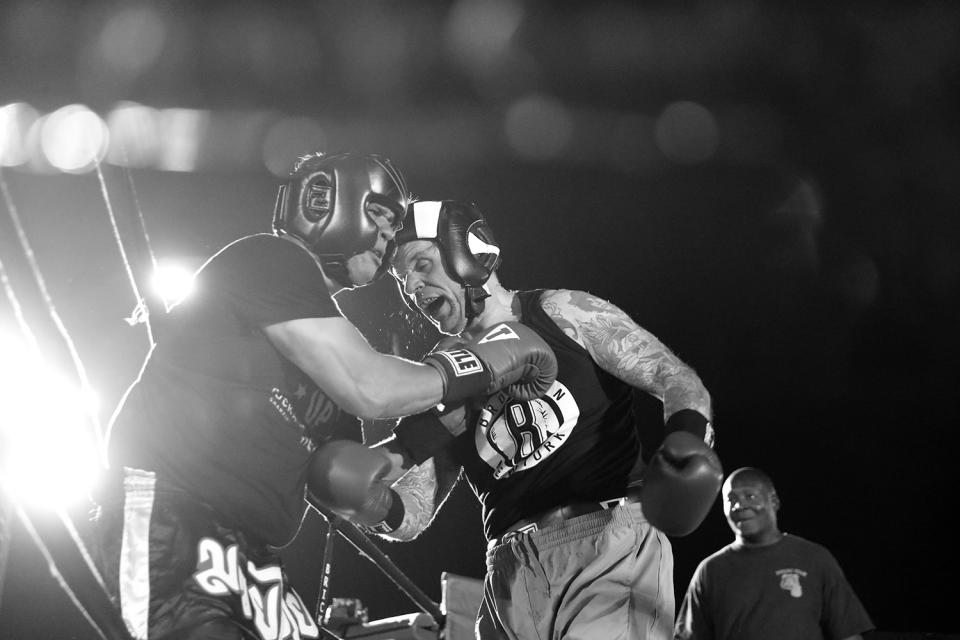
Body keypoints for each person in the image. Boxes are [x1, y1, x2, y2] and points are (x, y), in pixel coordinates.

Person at [89, 155, 557, 640]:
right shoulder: (269, 259)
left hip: (257, 565)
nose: (386, 236)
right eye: (380, 215)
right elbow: (371, 387)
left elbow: (344, 482)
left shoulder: (332, 350)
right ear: (324, 200)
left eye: (394, 226)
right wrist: (480, 364)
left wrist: (434, 434)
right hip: (174, 520)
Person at [314, 199, 722, 640]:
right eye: (401, 278)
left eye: (420, 263)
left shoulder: (562, 311)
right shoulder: (441, 376)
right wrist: (370, 504)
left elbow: (673, 377)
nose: (412, 286)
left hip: (608, 543)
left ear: (466, 254)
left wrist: (687, 440)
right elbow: (417, 508)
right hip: (507, 572)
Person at [674, 467, 874, 640]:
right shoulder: (711, 570)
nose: (739, 505)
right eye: (731, 499)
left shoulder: (814, 559)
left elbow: (848, 634)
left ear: (774, 501)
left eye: (750, 496)